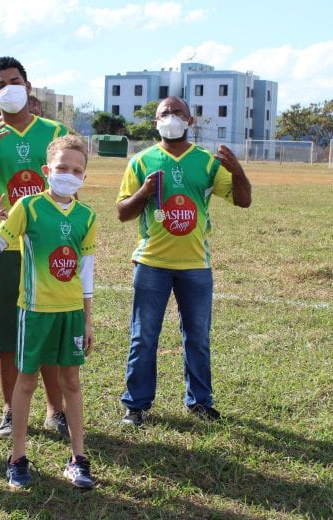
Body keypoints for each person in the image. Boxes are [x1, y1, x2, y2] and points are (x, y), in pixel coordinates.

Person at [116, 96, 251, 428]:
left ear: (190, 121)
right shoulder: (141, 161)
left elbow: (244, 201)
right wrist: (144, 193)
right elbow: (122, 212)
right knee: (144, 336)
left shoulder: (206, 163)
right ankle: (136, 405)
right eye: (165, 113)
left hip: (195, 265)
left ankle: (200, 402)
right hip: (151, 263)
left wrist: (237, 171)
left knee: (197, 336)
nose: (171, 117)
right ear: (155, 122)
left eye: (178, 112)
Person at [0, 56, 70, 440]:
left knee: (49, 332)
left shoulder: (53, 130)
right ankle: (10, 410)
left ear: (29, 85)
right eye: (1, 84)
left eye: (15, 80)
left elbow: (71, 174)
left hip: (44, 247)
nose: (10, 88)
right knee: (6, 334)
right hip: (3, 245)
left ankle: (56, 411)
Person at [0, 135, 97, 489]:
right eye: (62, 168)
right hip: (34, 311)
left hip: (71, 313)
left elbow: (87, 271)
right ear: (47, 170)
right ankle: (17, 459)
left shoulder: (87, 216)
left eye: (76, 170)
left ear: (83, 178)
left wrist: (88, 318)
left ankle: (78, 459)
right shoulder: (28, 207)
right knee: (26, 381)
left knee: (72, 382)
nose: (68, 174)